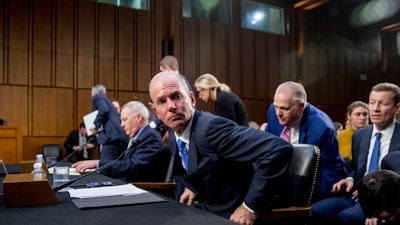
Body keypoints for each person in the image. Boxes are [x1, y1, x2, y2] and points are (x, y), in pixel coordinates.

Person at [149, 71, 293, 225]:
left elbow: (279, 149)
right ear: (157, 112)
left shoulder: (211, 129)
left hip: (230, 214)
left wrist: (250, 207)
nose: (171, 106)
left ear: (191, 99)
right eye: (162, 101)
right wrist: (193, 186)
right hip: (205, 209)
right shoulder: (173, 136)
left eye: (177, 96)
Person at [311, 82, 400, 225]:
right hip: (355, 193)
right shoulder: (359, 135)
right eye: (372, 103)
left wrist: (380, 208)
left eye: (383, 104)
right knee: (315, 211)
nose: (375, 109)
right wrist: (350, 179)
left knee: (346, 217)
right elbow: (354, 168)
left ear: (397, 108)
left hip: (383, 199)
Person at [265, 81, 345, 200]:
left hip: (311, 184)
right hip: (280, 179)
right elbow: (268, 148)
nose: (278, 113)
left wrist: (313, 206)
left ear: (301, 106)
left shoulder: (322, 128)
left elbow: (330, 171)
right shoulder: (273, 111)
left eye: (284, 108)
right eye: (276, 106)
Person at [73, 101, 169, 182]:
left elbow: (133, 167)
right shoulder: (139, 136)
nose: (121, 125)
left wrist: (98, 163)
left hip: (141, 191)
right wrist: (97, 167)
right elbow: (125, 163)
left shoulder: (149, 136)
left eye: (124, 120)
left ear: (139, 117)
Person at [88, 84, 128, 165]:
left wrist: (95, 127)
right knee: (116, 166)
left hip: (111, 139)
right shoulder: (107, 100)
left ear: (93, 93)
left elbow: (103, 109)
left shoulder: (98, 97)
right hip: (120, 138)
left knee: (106, 167)